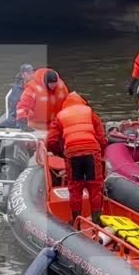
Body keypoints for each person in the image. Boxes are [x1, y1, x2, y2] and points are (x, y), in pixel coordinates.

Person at [46, 91, 107, 224]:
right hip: (92, 151)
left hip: (72, 153)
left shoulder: (60, 116)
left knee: (75, 188)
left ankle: (76, 221)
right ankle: (97, 220)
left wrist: (62, 153)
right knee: (95, 187)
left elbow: (51, 141)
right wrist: (99, 151)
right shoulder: (90, 112)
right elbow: (101, 138)